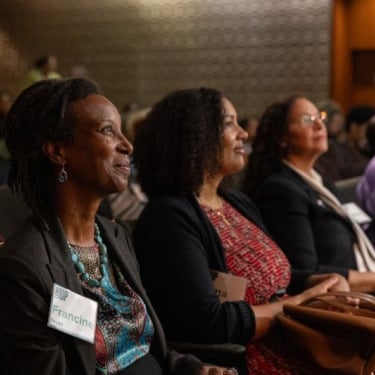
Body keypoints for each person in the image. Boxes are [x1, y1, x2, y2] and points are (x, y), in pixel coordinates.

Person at [0, 78, 233, 375]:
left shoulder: (115, 235)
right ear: (58, 151)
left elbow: (144, 346)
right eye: (107, 131)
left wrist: (192, 368)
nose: (127, 145)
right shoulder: (23, 267)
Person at [132, 88, 349, 375]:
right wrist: (297, 304)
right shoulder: (169, 216)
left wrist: (315, 281)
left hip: (295, 342)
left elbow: (272, 280)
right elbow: (209, 322)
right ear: (193, 136)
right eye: (228, 123)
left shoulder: (236, 201)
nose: (243, 134)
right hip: (249, 359)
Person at [242, 95, 375, 293]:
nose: (319, 125)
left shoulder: (322, 184)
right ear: (282, 137)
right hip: (340, 303)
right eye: (307, 120)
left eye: (319, 118)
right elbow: (306, 272)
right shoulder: (280, 191)